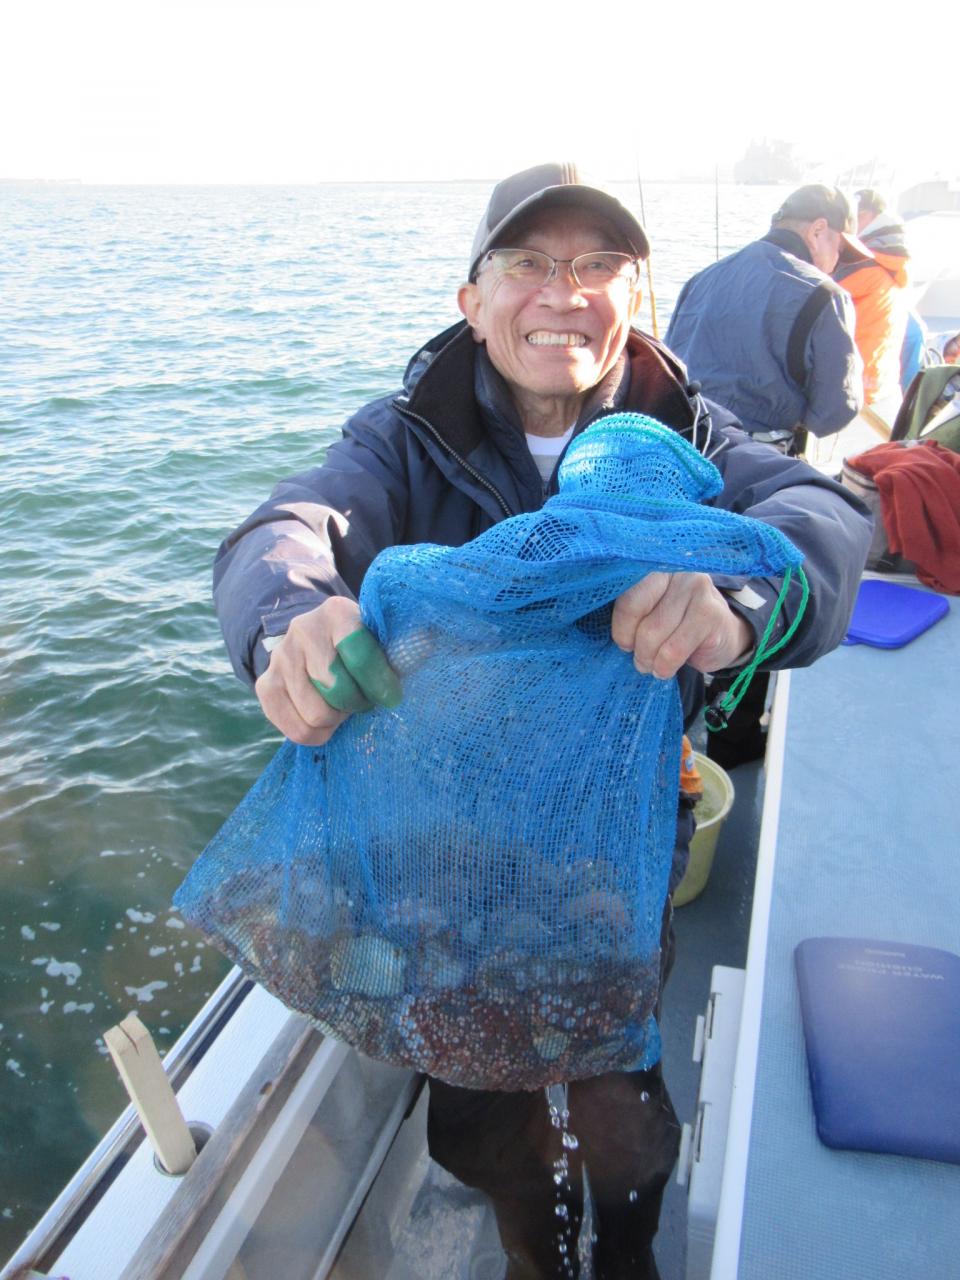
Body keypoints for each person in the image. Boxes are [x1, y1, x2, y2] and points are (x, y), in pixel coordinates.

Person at [212, 162, 873, 1280]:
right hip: (445, 860)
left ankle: (627, 1251)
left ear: (634, 298)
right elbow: (287, 525)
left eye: (598, 264)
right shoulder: (399, 439)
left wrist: (738, 600)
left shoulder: (692, 435)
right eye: (527, 263)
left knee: (620, 1114)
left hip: (619, 852)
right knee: (480, 1115)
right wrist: (289, 619)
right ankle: (529, 1249)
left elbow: (829, 514)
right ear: (472, 300)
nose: (563, 292)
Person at [664, 184, 863, 449]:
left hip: (680, 446)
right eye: (841, 250)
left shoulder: (701, 279)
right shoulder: (826, 295)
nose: (837, 262)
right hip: (754, 457)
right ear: (818, 230)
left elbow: (668, 369)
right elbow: (833, 413)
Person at [833, 188, 910, 421]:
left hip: (850, 392)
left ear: (864, 217)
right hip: (881, 386)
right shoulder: (893, 265)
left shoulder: (861, 268)